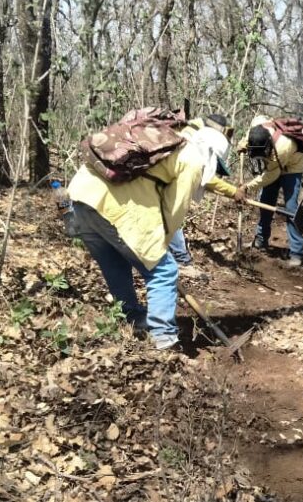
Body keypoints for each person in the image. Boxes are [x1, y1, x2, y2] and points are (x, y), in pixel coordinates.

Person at [67, 123, 243, 350]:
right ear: (211, 154)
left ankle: (133, 318)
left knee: (115, 263)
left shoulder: (169, 144)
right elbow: (174, 211)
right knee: (164, 270)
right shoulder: (192, 159)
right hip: (115, 207)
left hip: (81, 198)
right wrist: (160, 249)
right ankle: (165, 340)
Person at [167, 114, 239, 279]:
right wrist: (233, 192)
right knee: (174, 212)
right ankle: (181, 261)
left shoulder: (194, 132)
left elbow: (204, 177)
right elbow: (204, 176)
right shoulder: (193, 139)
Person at [241, 115, 303, 266]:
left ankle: (296, 253)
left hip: (292, 168)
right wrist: (241, 145)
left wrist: (247, 186)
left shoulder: (283, 145)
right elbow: (246, 139)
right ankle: (261, 240)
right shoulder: (255, 129)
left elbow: (271, 175)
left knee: (291, 208)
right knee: (265, 202)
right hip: (273, 164)